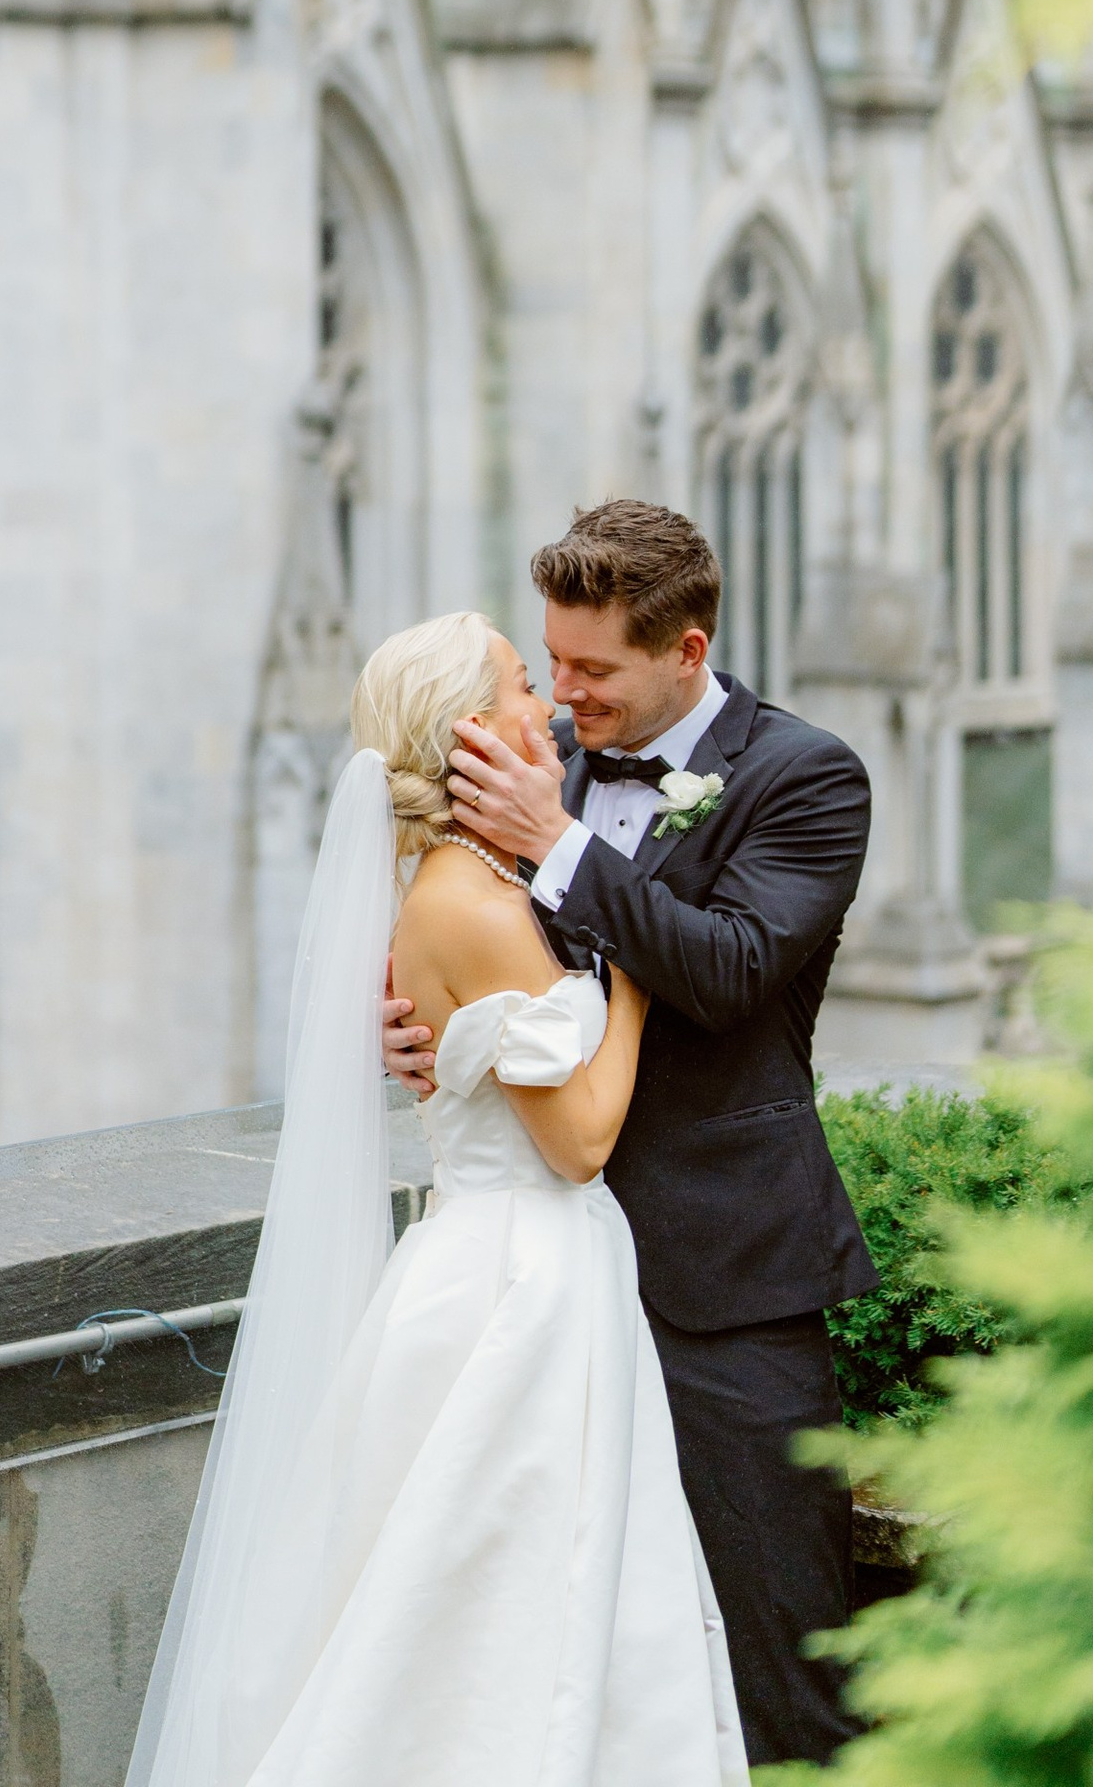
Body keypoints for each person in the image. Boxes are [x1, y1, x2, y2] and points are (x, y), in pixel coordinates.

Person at [127, 611, 744, 1787]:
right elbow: (578, 1143)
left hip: (492, 1261)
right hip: (525, 1281)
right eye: (522, 683)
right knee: (507, 1607)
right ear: (472, 729)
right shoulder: (476, 906)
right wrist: (632, 986)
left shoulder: (452, 889)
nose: (548, 708)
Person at [384, 499, 875, 1768]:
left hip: (725, 1288)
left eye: (594, 669)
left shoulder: (805, 777)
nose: (562, 694)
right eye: (551, 661)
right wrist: (434, 1036)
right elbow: (484, 963)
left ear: (688, 652)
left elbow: (726, 969)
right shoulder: (541, 752)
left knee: (781, 1660)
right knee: (567, 1666)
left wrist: (555, 846)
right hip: (545, 1295)